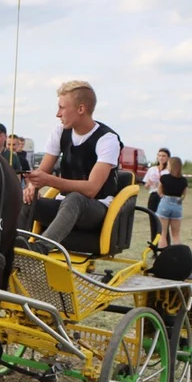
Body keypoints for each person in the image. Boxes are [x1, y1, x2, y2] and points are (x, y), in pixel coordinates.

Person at [20, 80, 122, 254]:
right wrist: (31, 185)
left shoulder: (107, 139)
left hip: (96, 209)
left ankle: (39, 250)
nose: (58, 114)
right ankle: (14, 247)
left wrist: (48, 180)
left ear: (81, 109)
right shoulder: (59, 132)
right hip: (65, 205)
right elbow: (43, 171)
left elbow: (91, 189)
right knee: (25, 200)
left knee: (74, 198)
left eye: (62, 108)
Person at [156, 156, 187, 248]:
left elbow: (159, 191)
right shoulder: (183, 180)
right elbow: (184, 195)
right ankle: (177, 256)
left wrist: (163, 197)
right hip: (177, 205)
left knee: (163, 234)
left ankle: (163, 255)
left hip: (165, 202)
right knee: (176, 235)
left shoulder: (164, 178)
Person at [143, 148, 170, 213]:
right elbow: (146, 187)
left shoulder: (169, 171)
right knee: (152, 215)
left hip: (164, 196)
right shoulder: (152, 169)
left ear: (168, 158)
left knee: (162, 218)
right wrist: (149, 183)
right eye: (159, 155)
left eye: (164, 156)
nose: (161, 158)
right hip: (153, 195)